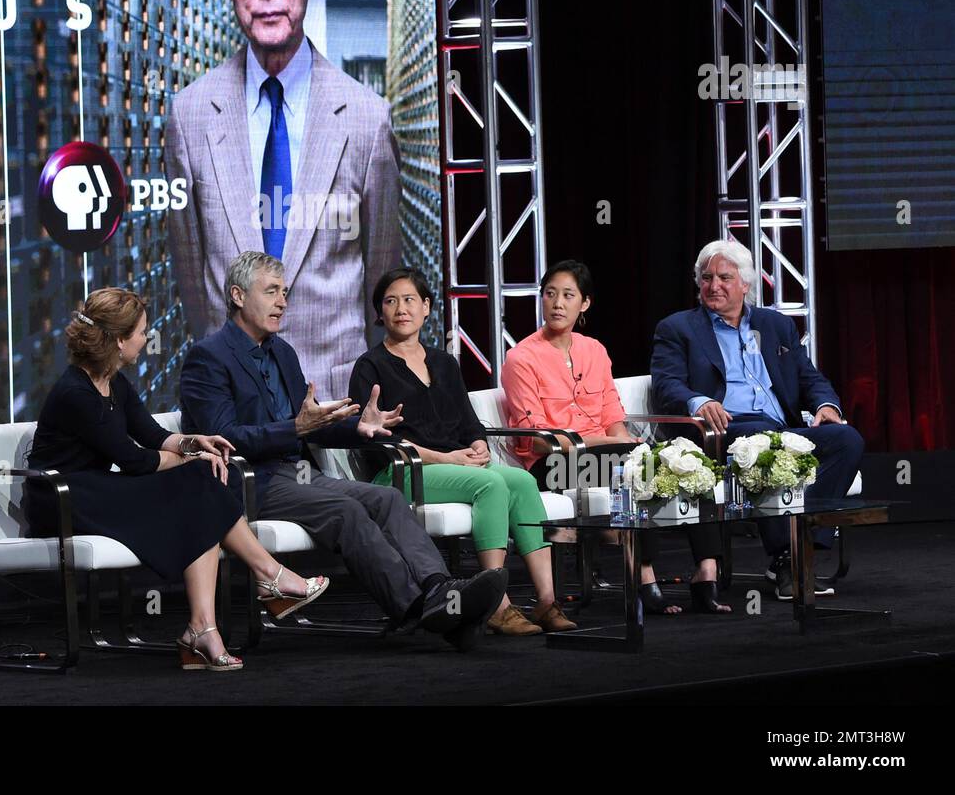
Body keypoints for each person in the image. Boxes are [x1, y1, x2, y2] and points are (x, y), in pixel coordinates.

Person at [179, 251, 508, 651]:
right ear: (237, 295)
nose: (283, 301)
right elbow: (224, 436)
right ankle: (418, 607)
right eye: (271, 292)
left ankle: (439, 588)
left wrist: (362, 428)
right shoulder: (207, 357)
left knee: (386, 498)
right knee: (347, 511)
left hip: (298, 474)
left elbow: (312, 424)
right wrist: (294, 429)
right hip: (252, 482)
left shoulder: (282, 352)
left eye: (285, 292)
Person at [166, 0, 401, 401]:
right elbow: (192, 284)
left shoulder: (367, 119)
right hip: (233, 415)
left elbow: (383, 286)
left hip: (338, 402)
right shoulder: (191, 116)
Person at [22, 287, 330, 672]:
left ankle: (205, 628)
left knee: (200, 487)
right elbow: (135, 460)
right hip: (62, 497)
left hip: (94, 488)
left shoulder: (114, 381)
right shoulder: (75, 392)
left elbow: (151, 434)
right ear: (119, 341)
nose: (146, 339)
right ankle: (266, 578)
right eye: (141, 333)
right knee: (197, 480)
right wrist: (189, 459)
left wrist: (189, 442)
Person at [348, 267, 578, 636]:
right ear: (380, 313)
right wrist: (447, 458)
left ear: (426, 308)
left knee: (518, 480)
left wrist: (477, 446)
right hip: (401, 472)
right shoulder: (370, 366)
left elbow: (470, 424)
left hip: (455, 466)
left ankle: (547, 601)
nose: (401, 309)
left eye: (410, 300)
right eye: (390, 301)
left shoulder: (444, 362)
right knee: (489, 485)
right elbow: (376, 443)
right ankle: (497, 605)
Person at [502, 260, 731, 615]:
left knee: (686, 461)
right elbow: (539, 439)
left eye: (567, 295)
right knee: (640, 469)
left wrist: (628, 447)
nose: (557, 304)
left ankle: (706, 575)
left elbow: (613, 420)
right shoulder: (521, 358)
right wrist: (619, 449)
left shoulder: (594, 351)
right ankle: (644, 579)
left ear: (585, 303)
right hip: (552, 465)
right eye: (550, 295)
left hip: (605, 456)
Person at [651, 240, 865, 601]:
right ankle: (785, 557)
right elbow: (666, 384)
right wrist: (699, 400)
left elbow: (809, 378)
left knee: (847, 439)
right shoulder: (679, 328)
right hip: (723, 432)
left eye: (724, 277)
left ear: (746, 285)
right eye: (706, 278)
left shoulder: (775, 325)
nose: (713, 285)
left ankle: (804, 547)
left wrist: (827, 406)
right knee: (762, 439)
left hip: (780, 430)